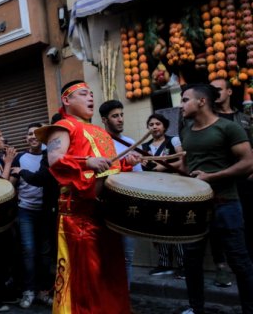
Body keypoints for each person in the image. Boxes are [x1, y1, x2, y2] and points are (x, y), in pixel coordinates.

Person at [38, 80, 138, 313]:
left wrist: (126, 163)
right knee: (85, 274)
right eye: (83, 94)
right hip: (79, 214)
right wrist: (87, 162)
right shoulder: (63, 126)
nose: (90, 98)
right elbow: (55, 160)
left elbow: (109, 168)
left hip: (104, 213)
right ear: (67, 100)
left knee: (108, 272)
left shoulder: (100, 131)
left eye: (91, 94)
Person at [179, 83, 253, 314]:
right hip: (195, 207)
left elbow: (248, 163)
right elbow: (186, 167)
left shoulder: (228, 128)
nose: (181, 105)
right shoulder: (187, 130)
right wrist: (161, 167)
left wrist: (211, 177)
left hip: (226, 204)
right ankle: (196, 308)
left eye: (184, 99)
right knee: (191, 262)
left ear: (201, 101)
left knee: (240, 262)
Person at [210, 77, 253, 287]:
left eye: (219, 89)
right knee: (219, 226)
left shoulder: (243, 118)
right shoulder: (209, 118)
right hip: (220, 180)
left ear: (228, 92)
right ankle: (222, 267)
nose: (215, 93)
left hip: (245, 178)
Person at [9, 123, 55, 309]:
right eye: (29, 134)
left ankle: (43, 292)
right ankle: (28, 290)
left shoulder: (49, 155)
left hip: (45, 211)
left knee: (45, 254)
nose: (33, 136)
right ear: (25, 138)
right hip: (25, 210)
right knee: (28, 251)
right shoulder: (20, 157)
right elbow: (11, 183)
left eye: (36, 133)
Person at [99, 99, 143, 289]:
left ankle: (124, 302)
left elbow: (139, 177)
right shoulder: (99, 144)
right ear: (104, 120)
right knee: (106, 257)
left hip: (127, 210)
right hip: (106, 208)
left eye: (121, 115)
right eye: (115, 116)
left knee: (127, 257)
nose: (120, 119)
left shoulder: (131, 143)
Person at [139, 113, 186, 280]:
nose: (154, 127)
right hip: (155, 190)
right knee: (160, 225)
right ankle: (164, 263)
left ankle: (183, 265)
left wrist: (162, 168)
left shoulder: (173, 140)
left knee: (176, 225)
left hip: (174, 188)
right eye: (151, 124)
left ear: (164, 126)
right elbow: (143, 168)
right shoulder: (144, 147)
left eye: (157, 123)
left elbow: (181, 160)